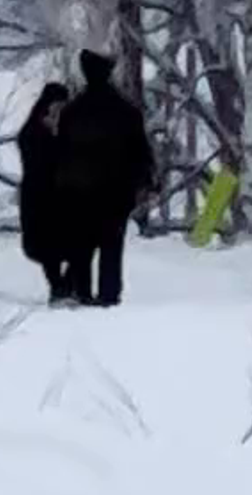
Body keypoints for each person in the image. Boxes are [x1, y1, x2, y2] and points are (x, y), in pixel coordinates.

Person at [55, 43, 153, 307]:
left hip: (80, 191)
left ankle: (82, 290)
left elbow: (60, 155)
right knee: (111, 243)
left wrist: (59, 187)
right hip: (115, 192)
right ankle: (109, 293)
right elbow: (140, 150)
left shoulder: (72, 112)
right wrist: (146, 180)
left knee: (82, 243)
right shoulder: (126, 112)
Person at [14, 76, 80, 305]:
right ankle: (59, 289)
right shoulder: (32, 132)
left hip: (65, 198)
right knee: (47, 248)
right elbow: (40, 163)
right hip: (40, 198)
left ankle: (68, 288)